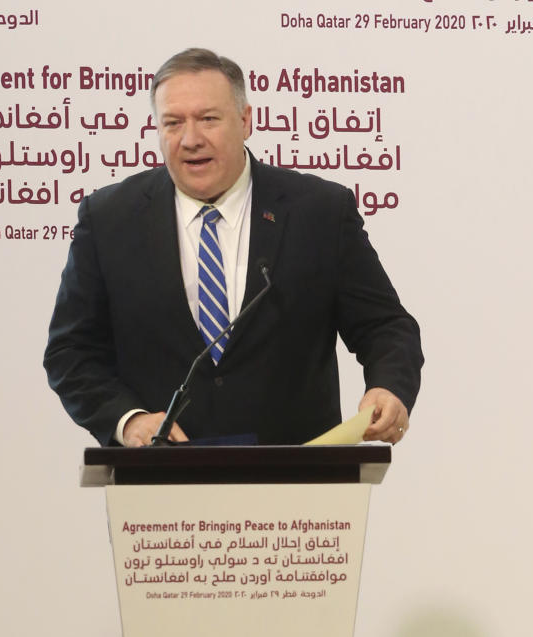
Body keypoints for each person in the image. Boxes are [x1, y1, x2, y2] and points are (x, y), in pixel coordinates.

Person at [44, 48, 422, 447]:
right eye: (173, 123)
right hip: (159, 483)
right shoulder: (109, 218)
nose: (190, 140)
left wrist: (388, 387)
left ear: (245, 120)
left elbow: (385, 327)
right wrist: (128, 420)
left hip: (300, 481)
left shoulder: (320, 212)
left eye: (208, 119)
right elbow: (71, 352)